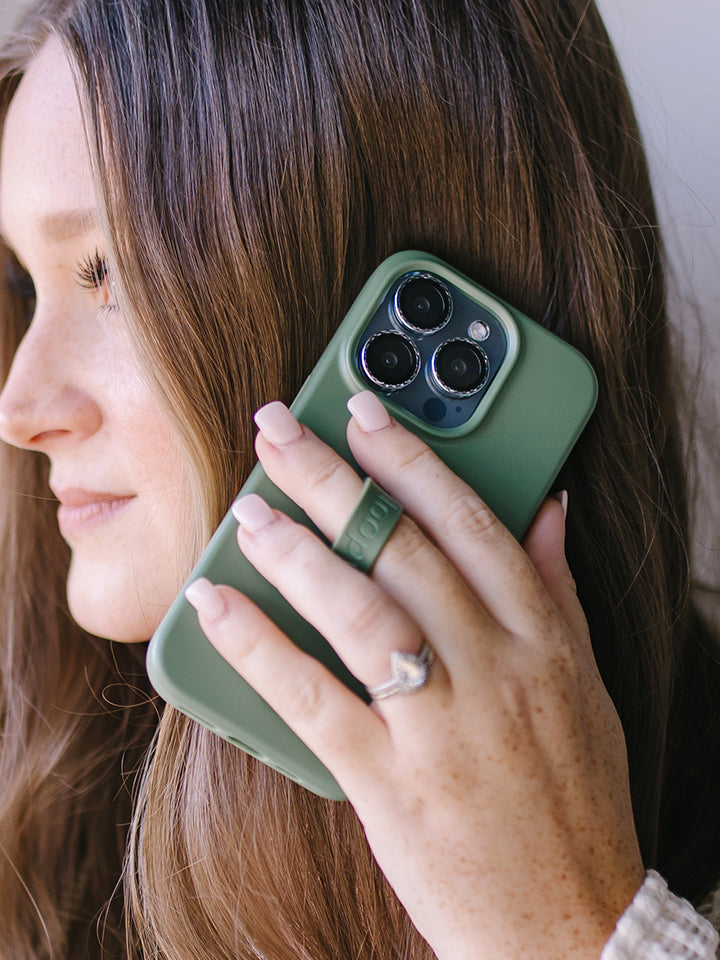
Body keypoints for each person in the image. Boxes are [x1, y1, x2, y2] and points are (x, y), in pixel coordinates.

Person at [1, 0, 719, 957]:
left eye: (111, 273)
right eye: (24, 284)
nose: (20, 409)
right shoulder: (59, 845)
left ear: (356, 291)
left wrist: (575, 930)